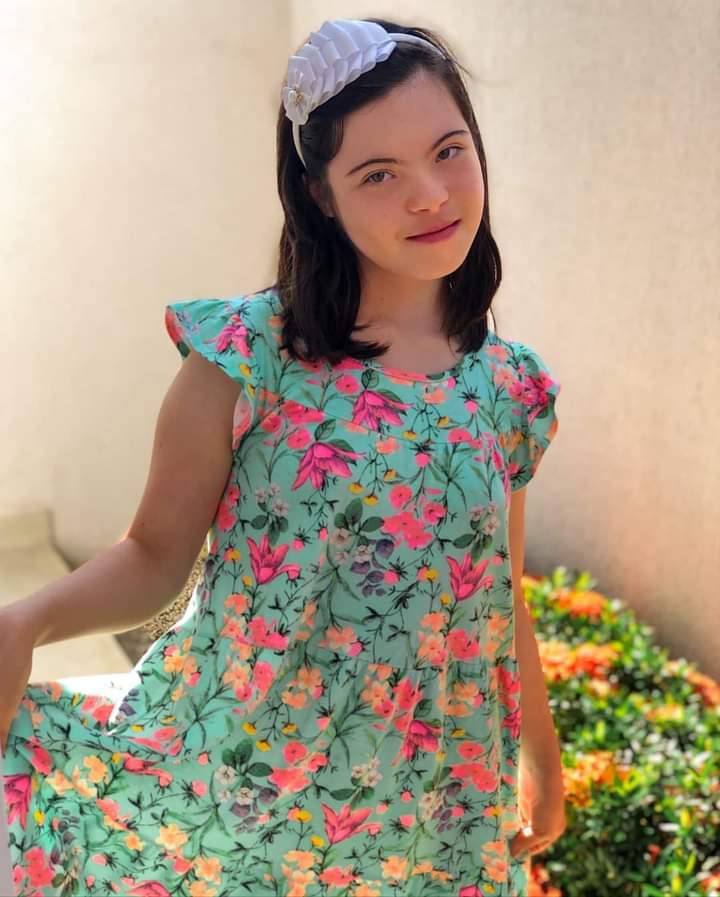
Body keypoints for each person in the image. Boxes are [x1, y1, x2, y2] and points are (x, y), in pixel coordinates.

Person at [0, 16, 566, 897]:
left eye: (448, 151)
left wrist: (542, 755)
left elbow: (498, 588)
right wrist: (25, 622)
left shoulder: (509, 387)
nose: (429, 194)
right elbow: (153, 554)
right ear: (319, 195)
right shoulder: (249, 354)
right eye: (379, 173)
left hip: (436, 817)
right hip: (248, 796)